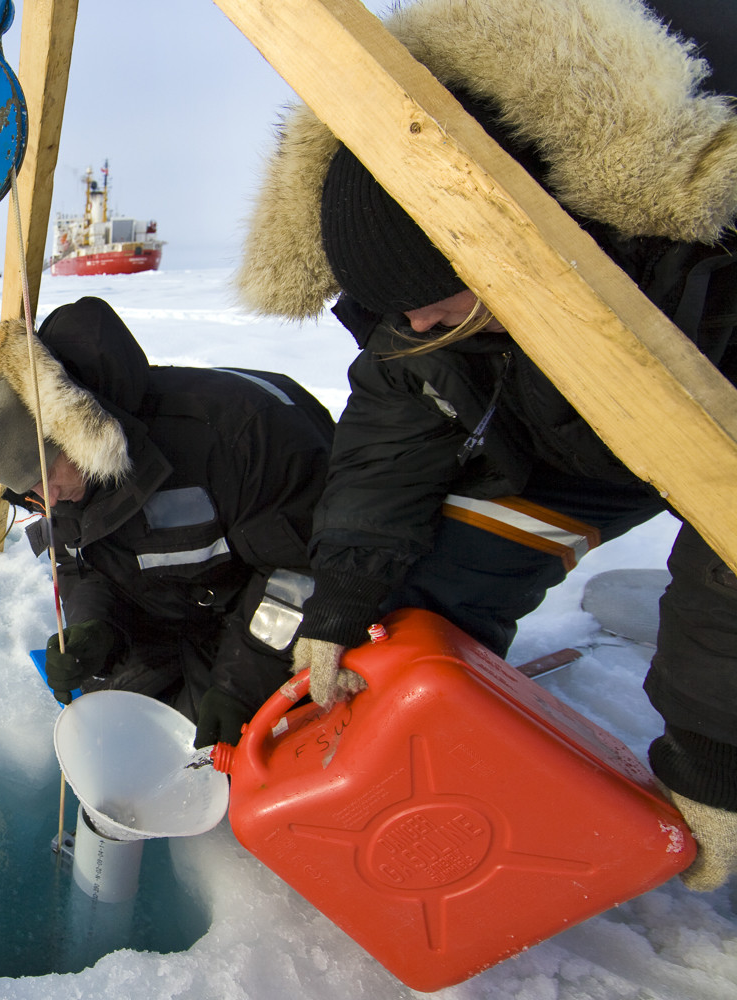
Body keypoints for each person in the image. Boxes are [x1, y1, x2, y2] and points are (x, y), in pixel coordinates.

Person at [233, 0, 737, 890]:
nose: (418, 325)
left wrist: (712, 754)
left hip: (711, 433)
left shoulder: (696, 269)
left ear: (495, 253)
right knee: (425, 595)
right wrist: (344, 596)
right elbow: (388, 444)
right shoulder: (426, 318)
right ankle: (440, 787)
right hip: (575, 448)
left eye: (431, 303)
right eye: (403, 314)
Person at [0, 297, 335, 749]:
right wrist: (95, 630)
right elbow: (83, 566)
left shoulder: (237, 435)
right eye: (31, 491)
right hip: (176, 618)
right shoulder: (60, 487)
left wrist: (241, 685)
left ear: (71, 435)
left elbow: (302, 570)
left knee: (241, 751)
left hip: (272, 622)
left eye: (45, 477)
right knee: (114, 738)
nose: (47, 500)